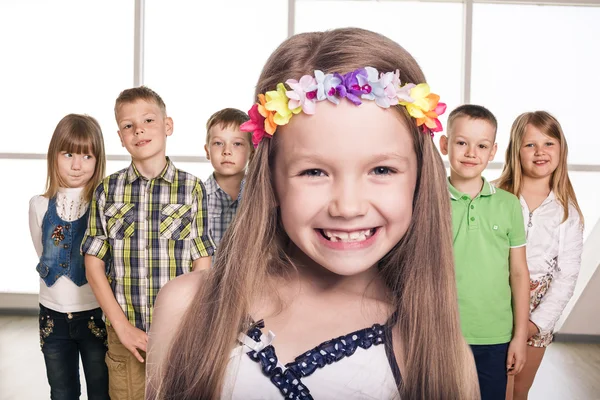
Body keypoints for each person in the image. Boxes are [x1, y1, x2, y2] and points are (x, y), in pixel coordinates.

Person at [147, 27, 480, 400]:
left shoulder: (439, 355)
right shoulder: (187, 308)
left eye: (382, 170)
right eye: (313, 172)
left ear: (420, 179)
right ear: (270, 180)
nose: (348, 207)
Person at [81, 86, 215, 400]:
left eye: (148, 120)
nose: (138, 129)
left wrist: (190, 322)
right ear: (120, 136)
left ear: (168, 125)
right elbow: (93, 263)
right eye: (128, 125)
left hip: (180, 332)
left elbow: (202, 263)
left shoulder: (191, 189)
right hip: (125, 333)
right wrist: (121, 327)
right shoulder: (107, 190)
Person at [439, 104, 530, 400]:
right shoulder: (428, 200)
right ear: (445, 144)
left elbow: (518, 272)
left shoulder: (508, 204)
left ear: (492, 152)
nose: (470, 153)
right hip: (440, 332)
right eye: (461, 142)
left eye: (481, 145)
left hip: (495, 335)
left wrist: (518, 337)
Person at [495, 111, 584, 400]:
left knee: (519, 391)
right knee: (494, 387)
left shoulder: (567, 212)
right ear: (516, 151)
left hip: (538, 308)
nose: (540, 152)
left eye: (549, 143)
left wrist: (533, 325)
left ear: (561, 149)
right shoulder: (494, 196)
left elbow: (566, 277)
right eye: (530, 144)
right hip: (493, 304)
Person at [29, 113, 109, 399]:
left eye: (87, 156)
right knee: (62, 391)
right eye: (68, 154)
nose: (77, 165)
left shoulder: (103, 203)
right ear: (55, 155)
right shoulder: (39, 205)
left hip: (95, 313)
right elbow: (44, 252)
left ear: (98, 160)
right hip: (53, 317)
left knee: (102, 390)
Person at [203, 108, 253, 250]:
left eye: (237, 144)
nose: (227, 151)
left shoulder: (260, 195)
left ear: (252, 152)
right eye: (218, 143)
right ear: (207, 151)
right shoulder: (196, 197)